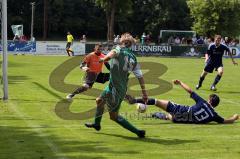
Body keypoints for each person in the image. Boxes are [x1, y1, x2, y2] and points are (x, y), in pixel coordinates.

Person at [85, 33, 148, 138]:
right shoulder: (134, 58)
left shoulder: (118, 48)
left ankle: (138, 132)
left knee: (113, 116)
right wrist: (144, 93)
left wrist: (104, 59)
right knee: (99, 101)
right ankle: (97, 124)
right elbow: (140, 77)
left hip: (116, 88)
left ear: (122, 42)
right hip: (117, 86)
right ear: (131, 44)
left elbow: (112, 54)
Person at [125, 80, 239, 124]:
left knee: (156, 101)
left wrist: (180, 83)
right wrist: (234, 117)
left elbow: (190, 91)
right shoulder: (214, 115)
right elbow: (225, 121)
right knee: (169, 117)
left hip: (179, 110)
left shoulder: (203, 102)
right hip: (180, 120)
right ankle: (159, 115)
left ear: (209, 100)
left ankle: (134, 100)